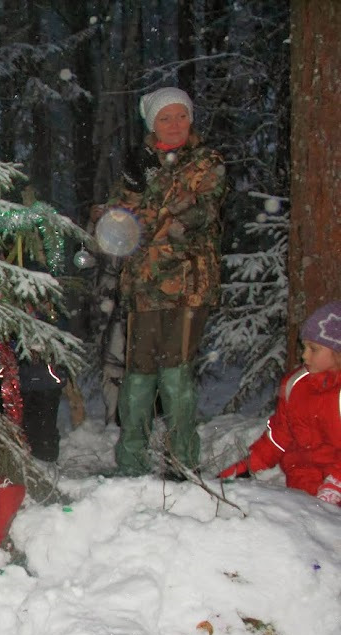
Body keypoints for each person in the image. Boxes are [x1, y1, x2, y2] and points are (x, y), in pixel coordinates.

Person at [106, 86, 227, 477]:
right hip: (143, 287)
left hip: (188, 287)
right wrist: (124, 203)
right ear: (152, 123)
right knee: (138, 376)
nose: (175, 124)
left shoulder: (206, 161)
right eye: (165, 118)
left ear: (191, 118)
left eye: (181, 115)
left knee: (176, 375)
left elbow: (196, 215)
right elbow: (118, 225)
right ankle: (131, 464)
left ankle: (183, 464)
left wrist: (148, 198)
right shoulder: (137, 162)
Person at [219, 301, 341, 505]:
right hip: (302, 491)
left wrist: (335, 485)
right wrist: (246, 467)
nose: (304, 355)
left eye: (314, 349)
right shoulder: (295, 384)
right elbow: (279, 435)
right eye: (304, 347)